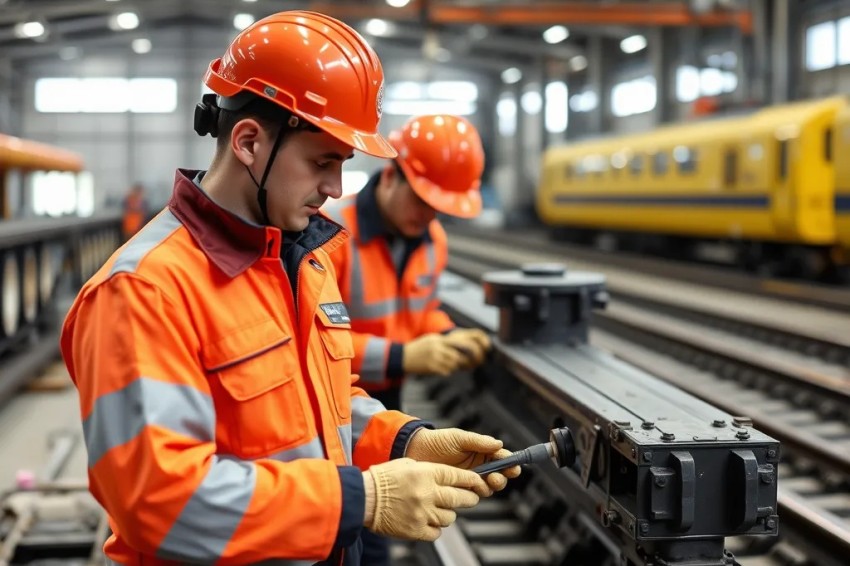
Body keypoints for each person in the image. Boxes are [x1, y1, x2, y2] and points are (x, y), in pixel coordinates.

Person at [59, 12, 518, 566]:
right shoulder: (142, 292)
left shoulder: (299, 259)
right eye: (323, 162)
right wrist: (361, 499)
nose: (336, 188)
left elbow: (322, 402)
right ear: (249, 142)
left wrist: (405, 440)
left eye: (343, 165)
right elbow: (161, 502)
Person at [323, 114, 494, 564]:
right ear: (391, 175)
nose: (429, 214)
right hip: (331, 407)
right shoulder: (328, 234)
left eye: (439, 207)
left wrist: (447, 336)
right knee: (354, 536)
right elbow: (314, 345)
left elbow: (417, 314)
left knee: (371, 538)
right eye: (422, 200)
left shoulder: (432, 239)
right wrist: (403, 356)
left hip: (386, 410)